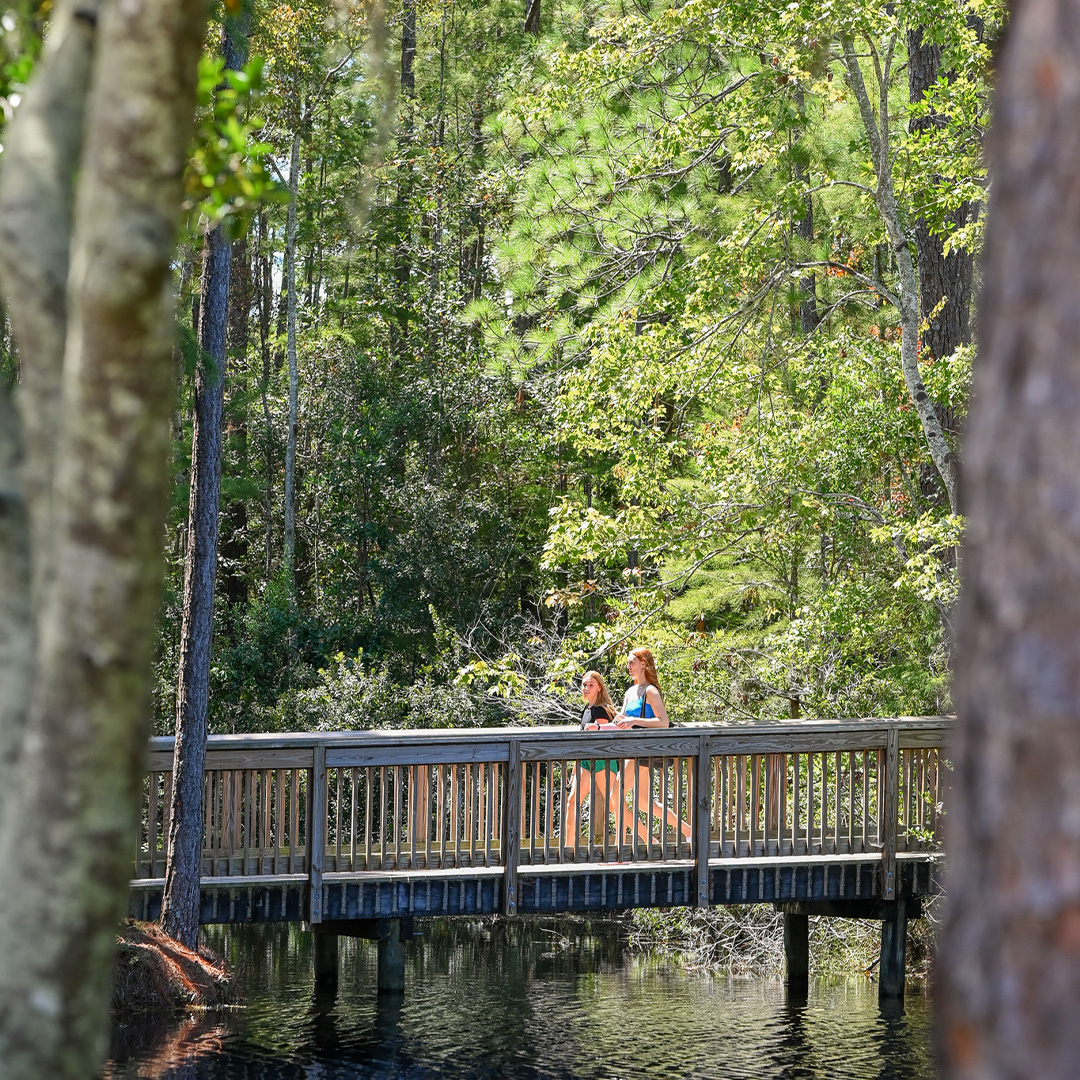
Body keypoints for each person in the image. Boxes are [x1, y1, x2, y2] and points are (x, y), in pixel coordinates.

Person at [612, 647, 690, 843]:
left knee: (616, 794)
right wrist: (619, 721)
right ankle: (687, 831)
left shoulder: (651, 691)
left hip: (644, 750)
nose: (628, 666)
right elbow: (624, 718)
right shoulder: (630, 691)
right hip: (631, 748)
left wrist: (633, 721)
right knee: (645, 803)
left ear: (643, 664)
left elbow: (663, 722)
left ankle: (628, 846)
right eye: (628, 663)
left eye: (632, 662)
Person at [567, 670, 621, 844]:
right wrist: (575, 767)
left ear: (599, 688)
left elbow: (604, 737)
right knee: (572, 802)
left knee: (614, 806)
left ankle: (644, 837)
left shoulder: (600, 710)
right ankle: (569, 849)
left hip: (602, 760)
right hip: (585, 759)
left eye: (591, 685)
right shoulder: (587, 708)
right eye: (584, 685)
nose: (586, 688)